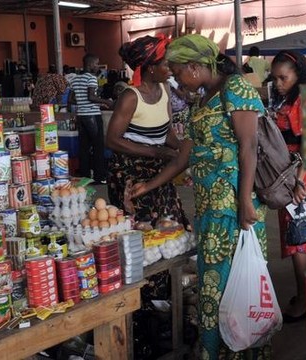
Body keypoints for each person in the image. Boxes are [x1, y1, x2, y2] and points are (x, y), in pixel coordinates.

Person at [131, 34, 271, 359]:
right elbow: (182, 158)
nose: (177, 80)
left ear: (194, 67)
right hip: (209, 213)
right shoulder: (201, 100)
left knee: (240, 287)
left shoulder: (236, 89)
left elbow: (249, 146)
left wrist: (246, 200)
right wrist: (147, 186)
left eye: (178, 72)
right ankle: (217, 352)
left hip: (236, 210)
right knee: (213, 290)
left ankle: (243, 352)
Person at [106, 34, 190, 228]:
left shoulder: (165, 89)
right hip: (130, 171)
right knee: (142, 227)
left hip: (159, 168)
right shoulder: (130, 97)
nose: (171, 69)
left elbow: (165, 131)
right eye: (166, 65)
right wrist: (156, 151)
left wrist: (182, 150)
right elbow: (111, 140)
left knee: (170, 221)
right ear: (151, 68)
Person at [269, 50, 306, 322]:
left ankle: (304, 301)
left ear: (298, 74)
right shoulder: (295, 98)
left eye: (283, 78)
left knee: (299, 241)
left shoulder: (301, 101)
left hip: (299, 179)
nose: (278, 83)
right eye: (275, 78)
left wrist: (298, 181)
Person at [68, 54, 113, 184]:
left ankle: (85, 176)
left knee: (84, 147)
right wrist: (106, 102)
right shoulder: (91, 78)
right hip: (93, 116)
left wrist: (82, 102)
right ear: (91, 64)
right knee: (98, 146)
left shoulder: (75, 79)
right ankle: (99, 177)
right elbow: (91, 97)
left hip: (81, 116)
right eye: (97, 63)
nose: (98, 66)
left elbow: (71, 100)